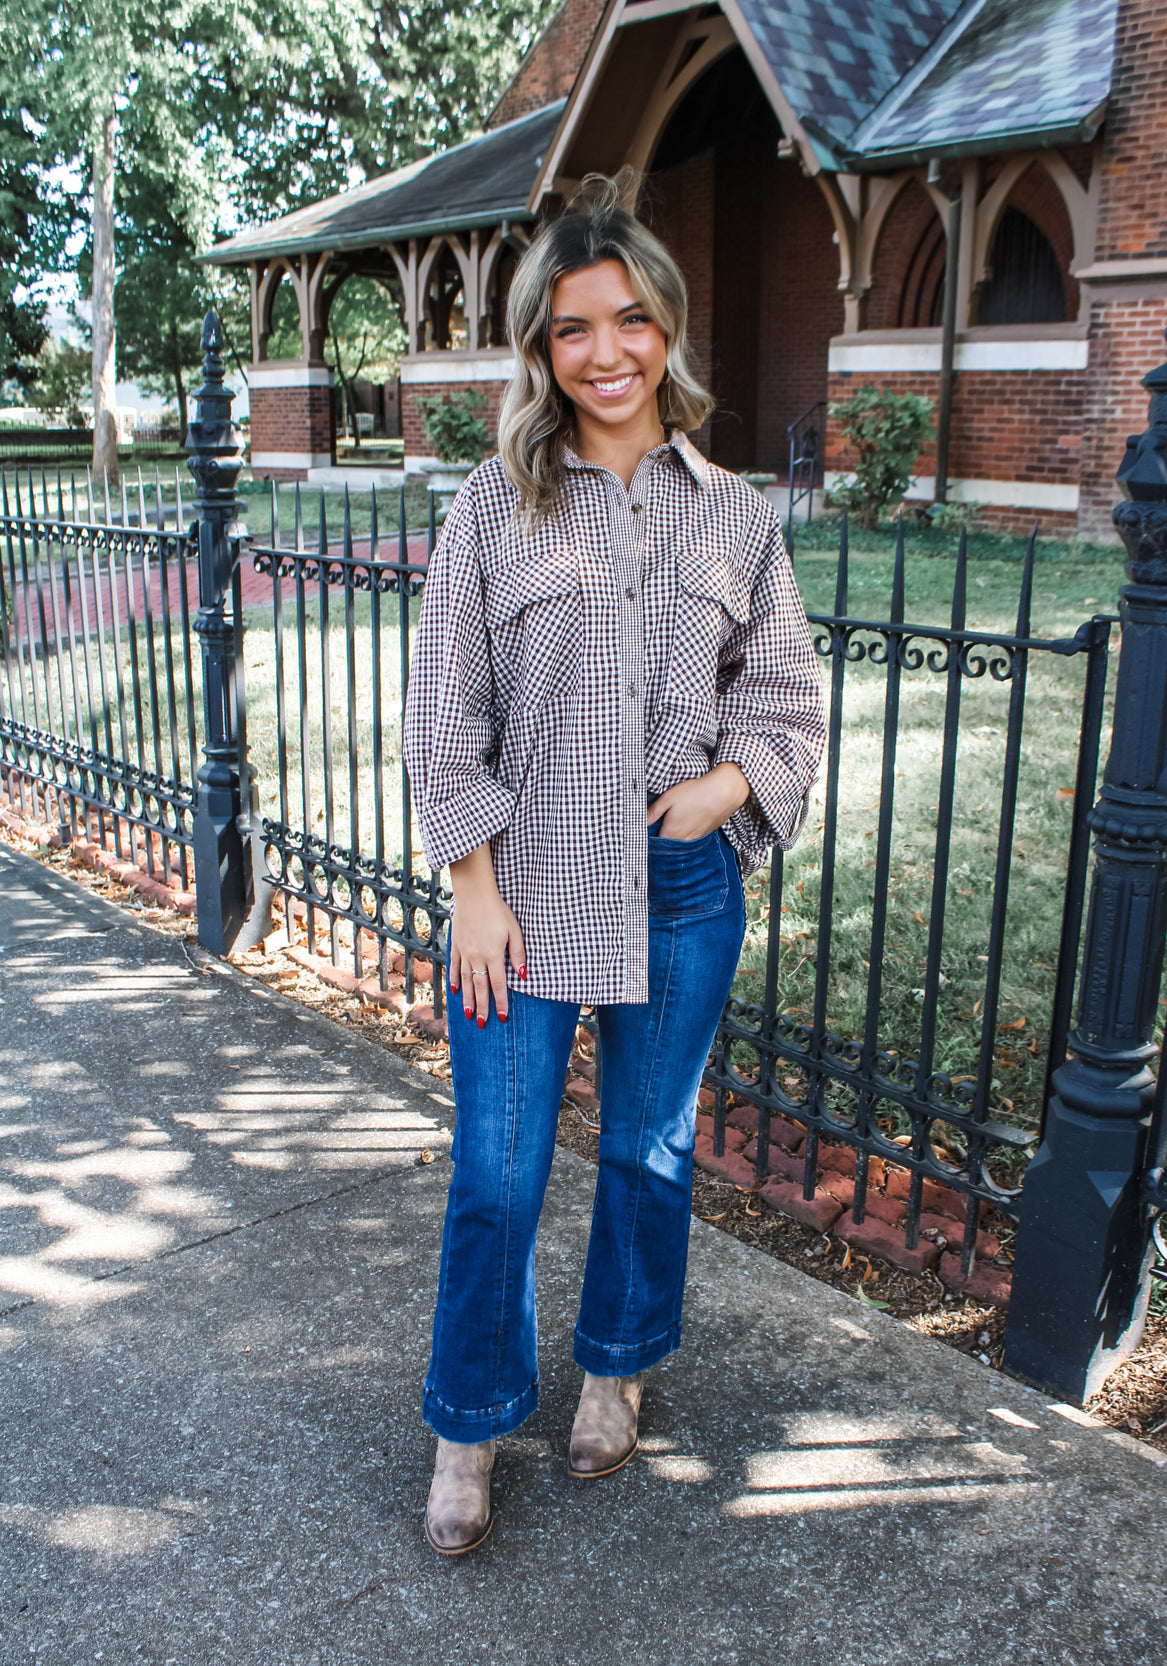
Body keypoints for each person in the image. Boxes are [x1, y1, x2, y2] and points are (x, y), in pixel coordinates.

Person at [402, 173, 825, 1555]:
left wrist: (719, 792)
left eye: (632, 320)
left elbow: (785, 697)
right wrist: (468, 878)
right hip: (517, 901)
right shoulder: (491, 507)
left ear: (669, 330)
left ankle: (616, 1363)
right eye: (574, 327)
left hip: (682, 887)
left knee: (647, 1150)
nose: (607, 352)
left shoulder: (734, 515)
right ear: (540, 348)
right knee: (498, 1171)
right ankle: (469, 1421)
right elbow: (442, 706)